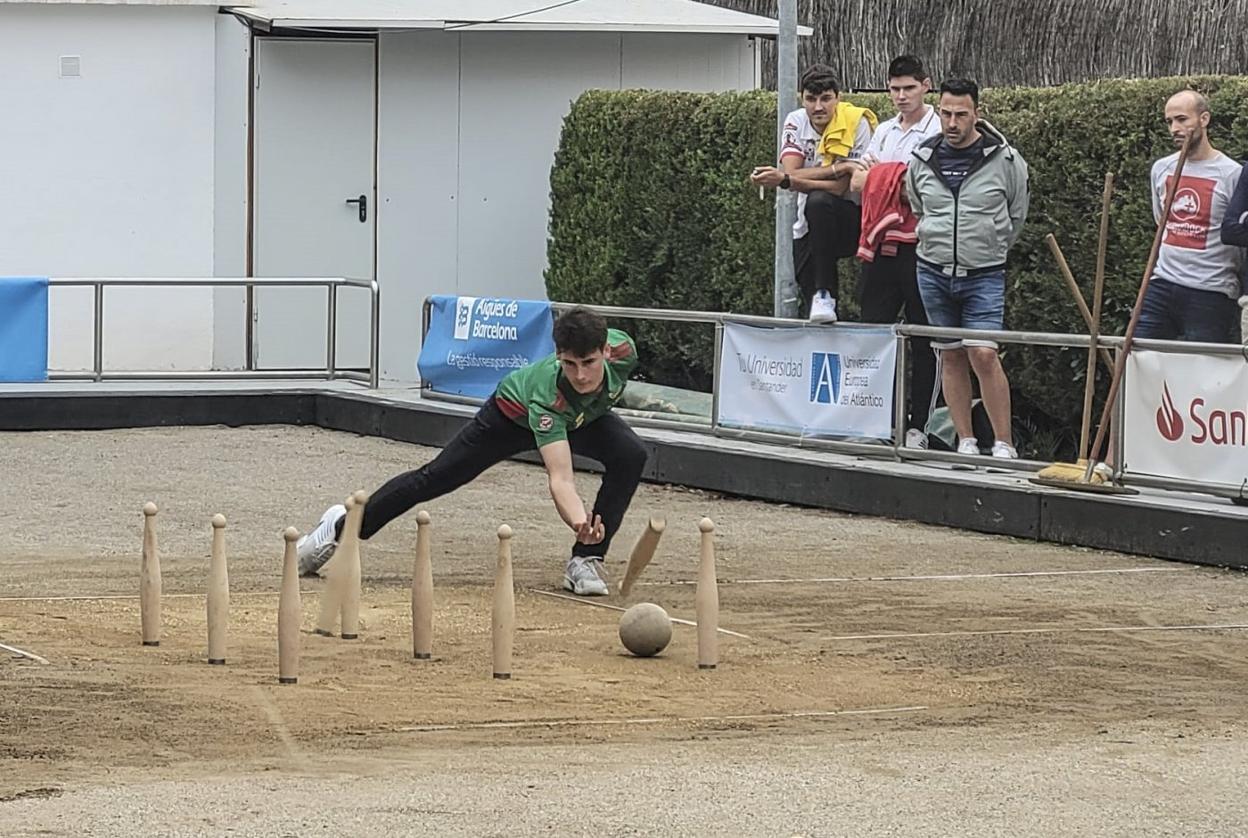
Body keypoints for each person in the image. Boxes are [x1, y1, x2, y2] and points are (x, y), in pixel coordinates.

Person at [296, 307, 647, 597]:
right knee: (434, 479)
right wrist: (579, 521)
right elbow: (561, 479)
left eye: (588, 362)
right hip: (508, 420)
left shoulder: (624, 351)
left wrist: (587, 534)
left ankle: (585, 559)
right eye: (570, 364)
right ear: (558, 356)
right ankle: (337, 529)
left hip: (583, 417)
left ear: (606, 351)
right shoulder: (549, 396)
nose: (581, 375)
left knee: (631, 454)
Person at [905, 78, 1029, 459]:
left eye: (961, 114)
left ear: (977, 113)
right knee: (950, 354)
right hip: (933, 270)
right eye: (945, 113)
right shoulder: (922, 158)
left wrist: (989, 244)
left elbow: (1017, 214)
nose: (952, 122)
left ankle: (1004, 443)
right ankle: (966, 440)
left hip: (984, 272)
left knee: (984, 353)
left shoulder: (1006, 160)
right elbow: (918, 207)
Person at [853, 54, 942, 450]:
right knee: (875, 334)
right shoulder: (885, 130)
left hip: (922, 248)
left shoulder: (938, 128)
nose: (902, 96)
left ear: (926, 86)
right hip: (880, 246)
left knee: (925, 339)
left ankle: (919, 426)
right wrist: (891, 178)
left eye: (909, 88)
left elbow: (921, 188)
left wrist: (881, 177)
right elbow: (858, 182)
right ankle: (881, 421)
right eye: (895, 89)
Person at [750, 65, 876, 323]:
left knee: (820, 201)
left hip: (853, 219)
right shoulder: (795, 121)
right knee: (814, 309)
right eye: (811, 99)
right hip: (809, 223)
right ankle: (821, 301)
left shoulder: (857, 122)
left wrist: (787, 179)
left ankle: (824, 292)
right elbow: (792, 172)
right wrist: (839, 167)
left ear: (838, 98)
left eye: (826, 99)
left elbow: (841, 188)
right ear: (802, 99)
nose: (818, 107)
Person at [1136, 91, 1244, 343]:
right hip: (1162, 283)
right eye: (1169, 121)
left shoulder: (1232, 174)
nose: (1175, 128)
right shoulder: (1162, 169)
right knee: (1142, 356)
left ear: (1204, 119)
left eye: (1182, 119)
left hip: (1211, 289)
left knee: (1202, 363)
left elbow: (1238, 237)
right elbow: (1161, 221)